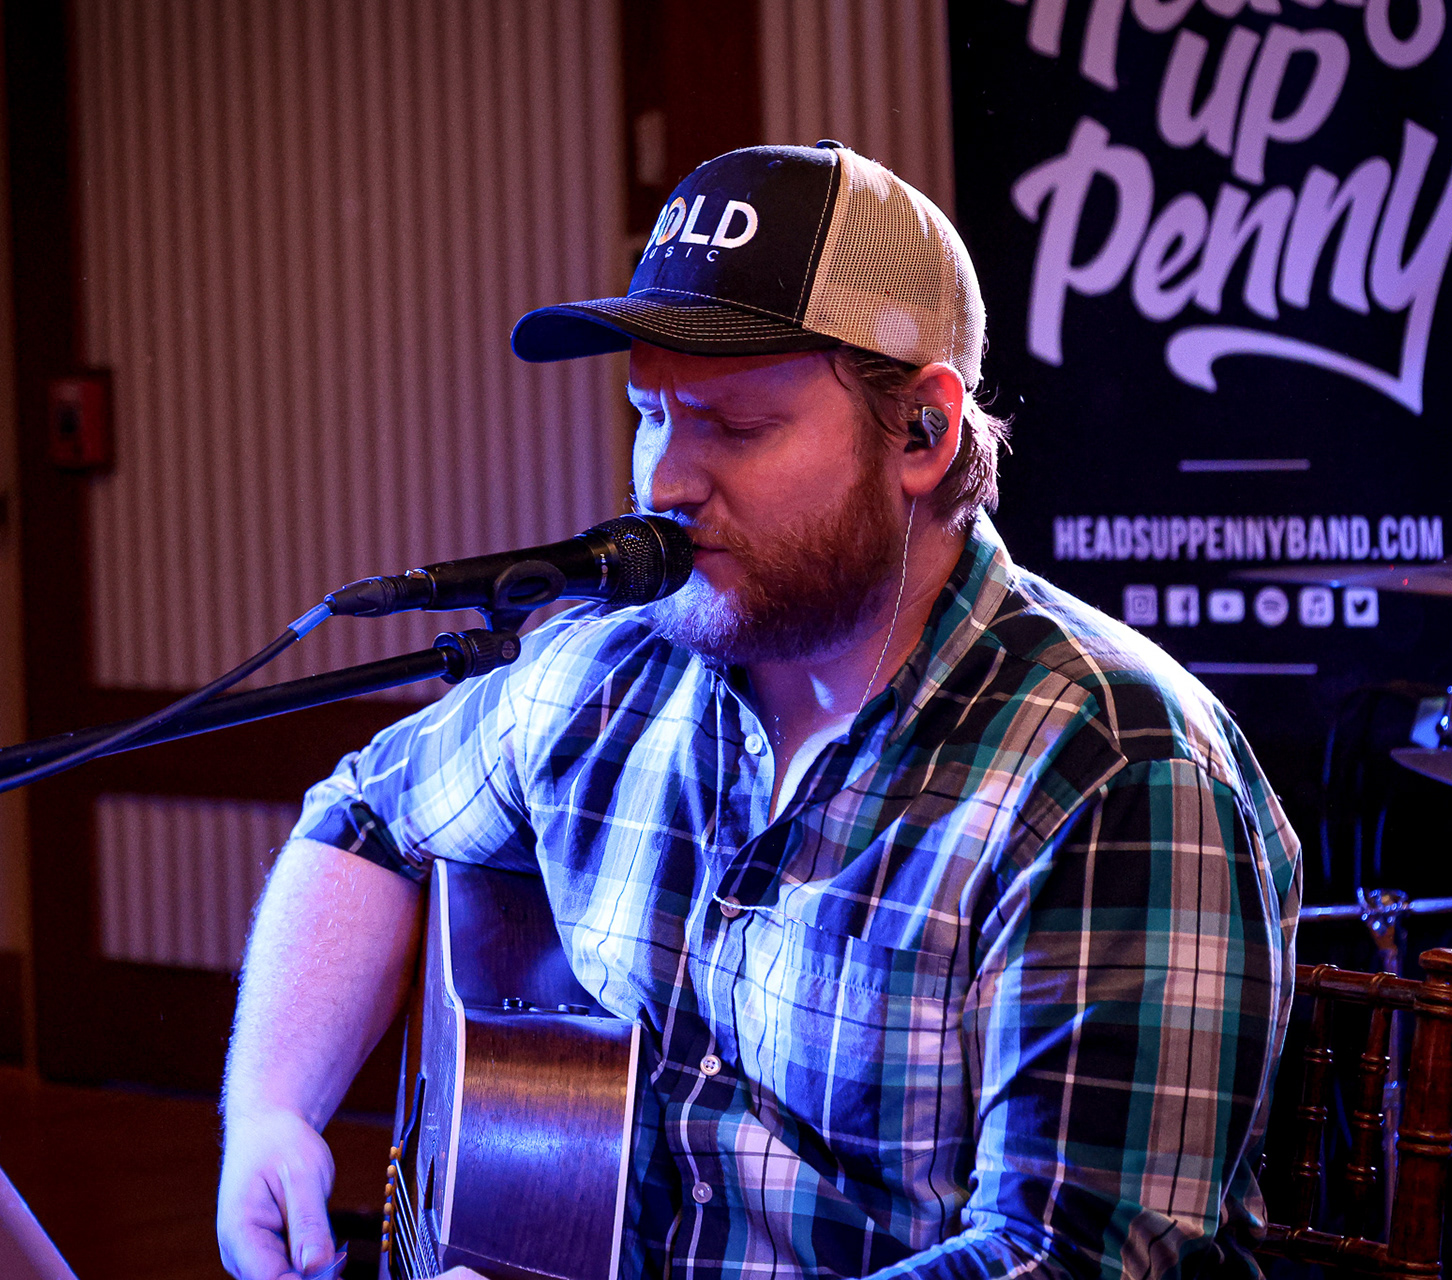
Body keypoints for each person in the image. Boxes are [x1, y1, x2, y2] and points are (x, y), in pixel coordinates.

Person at [217, 141, 1300, 1280]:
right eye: (651, 414)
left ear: (922, 434)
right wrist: (271, 1112)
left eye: (734, 428)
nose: (664, 483)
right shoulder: (607, 670)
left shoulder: (1117, 767)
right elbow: (364, 816)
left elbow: (1070, 1261)